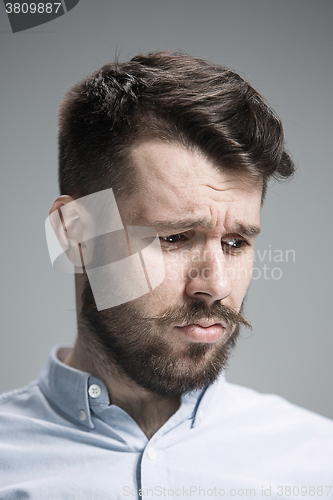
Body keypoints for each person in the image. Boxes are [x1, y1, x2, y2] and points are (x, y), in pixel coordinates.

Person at [1, 51, 332, 499]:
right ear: (74, 235)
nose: (215, 285)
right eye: (174, 238)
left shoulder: (319, 464)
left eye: (236, 243)